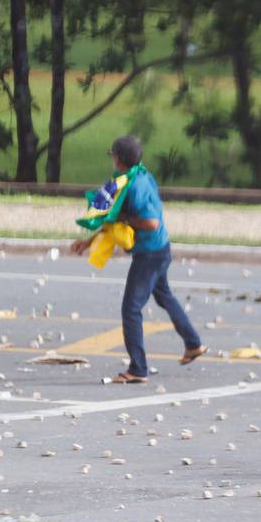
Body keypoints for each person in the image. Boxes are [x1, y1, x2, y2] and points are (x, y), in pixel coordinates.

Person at [68, 135, 204, 383]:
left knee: (130, 310)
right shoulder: (138, 176)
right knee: (164, 296)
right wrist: (89, 242)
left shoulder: (134, 185)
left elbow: (150, 223)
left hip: (150, 254)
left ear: (117, 158)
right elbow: (111, 216)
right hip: (160, 249)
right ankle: (193, 343)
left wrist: (125, 220)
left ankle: (138, 369)